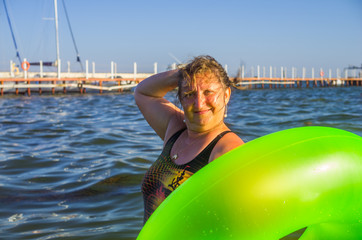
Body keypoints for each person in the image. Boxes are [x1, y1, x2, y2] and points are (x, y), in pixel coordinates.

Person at [134, 55, 244, 223]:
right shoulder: (175, 128)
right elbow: (143, 92)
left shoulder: (228, 150)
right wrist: (184, 74)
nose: (199, 103)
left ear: (226, 95)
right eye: (189, 93)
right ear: (181, 98)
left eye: (208, 92)